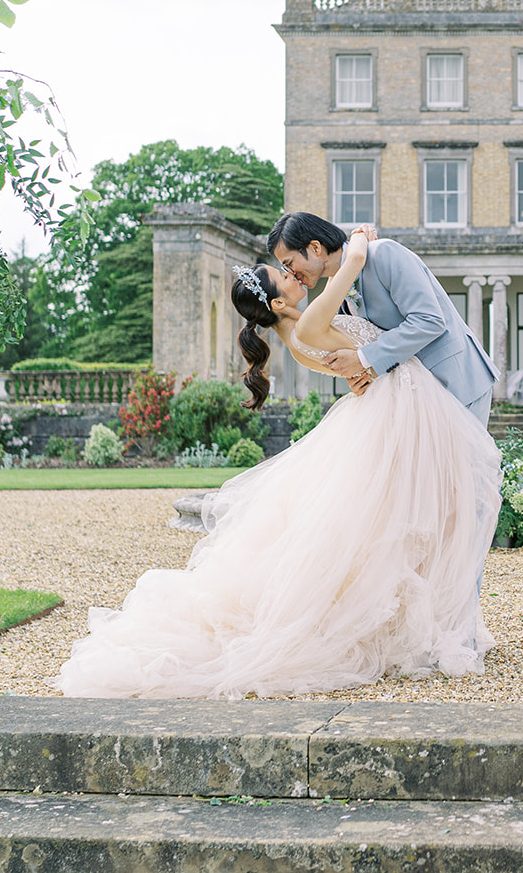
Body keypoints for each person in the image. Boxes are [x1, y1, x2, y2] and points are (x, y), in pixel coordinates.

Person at [54, 230, 500, 699]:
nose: (292, 275)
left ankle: (440, 624)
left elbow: (364, 347)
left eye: (289, 265)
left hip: (408, 407)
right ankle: (440, 629)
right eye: (283, 274)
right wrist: (355, 256)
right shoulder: (307, 326)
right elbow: (349, 317)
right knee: (425, 521)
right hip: (402, 411)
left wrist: (362, 364)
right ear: (278, 303)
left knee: (418, 524)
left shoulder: (307, 324)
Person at [268, 212, 497, 424]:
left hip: (455, 381)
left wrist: (363, 359)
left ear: (315, 247)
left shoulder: (383, 253)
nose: (290, 273)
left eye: (289, 263)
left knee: (465, 468)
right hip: (415, 397)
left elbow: (429, 320)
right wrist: (361, 377)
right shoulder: (336, 292)